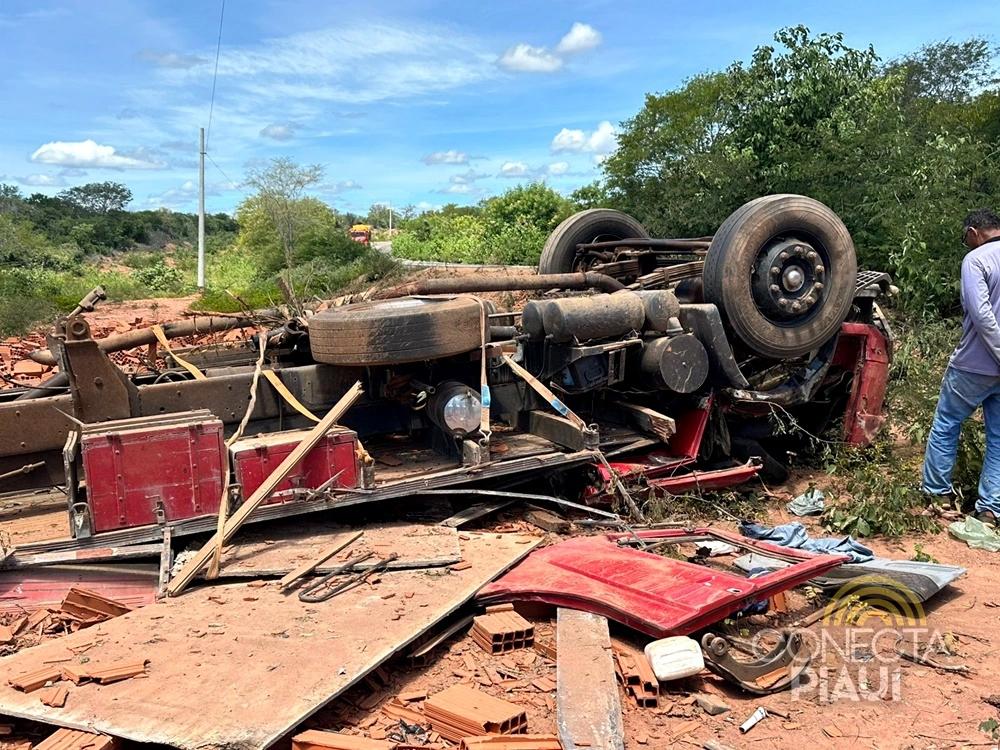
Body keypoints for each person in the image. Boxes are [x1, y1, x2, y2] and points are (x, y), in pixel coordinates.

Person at [923, 208, 1000, 525]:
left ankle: (937, 496)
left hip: (973, 365)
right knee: (998, 439)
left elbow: (981, 315)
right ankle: (990, 510)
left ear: (973, 232)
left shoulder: (976, 260)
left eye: (965, 237)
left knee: (946, 424)